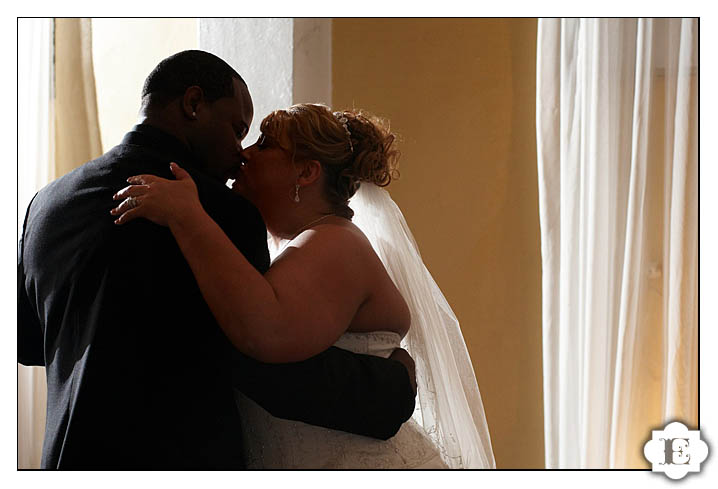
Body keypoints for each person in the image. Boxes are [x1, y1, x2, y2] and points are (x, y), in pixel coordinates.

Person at [17, 51, 417, 469]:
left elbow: (27, 342)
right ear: (193, 104)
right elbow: (262, 360)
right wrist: (391, 386)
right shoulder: (221, 214)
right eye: (237, 128)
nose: (239, 152)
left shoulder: (46, 205)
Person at [110, 103, 496, 468]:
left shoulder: (335, 242)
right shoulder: (309, 245)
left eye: (265, 143)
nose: (245, 153)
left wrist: (188, 216)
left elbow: (266, 333)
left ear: (306, 173)